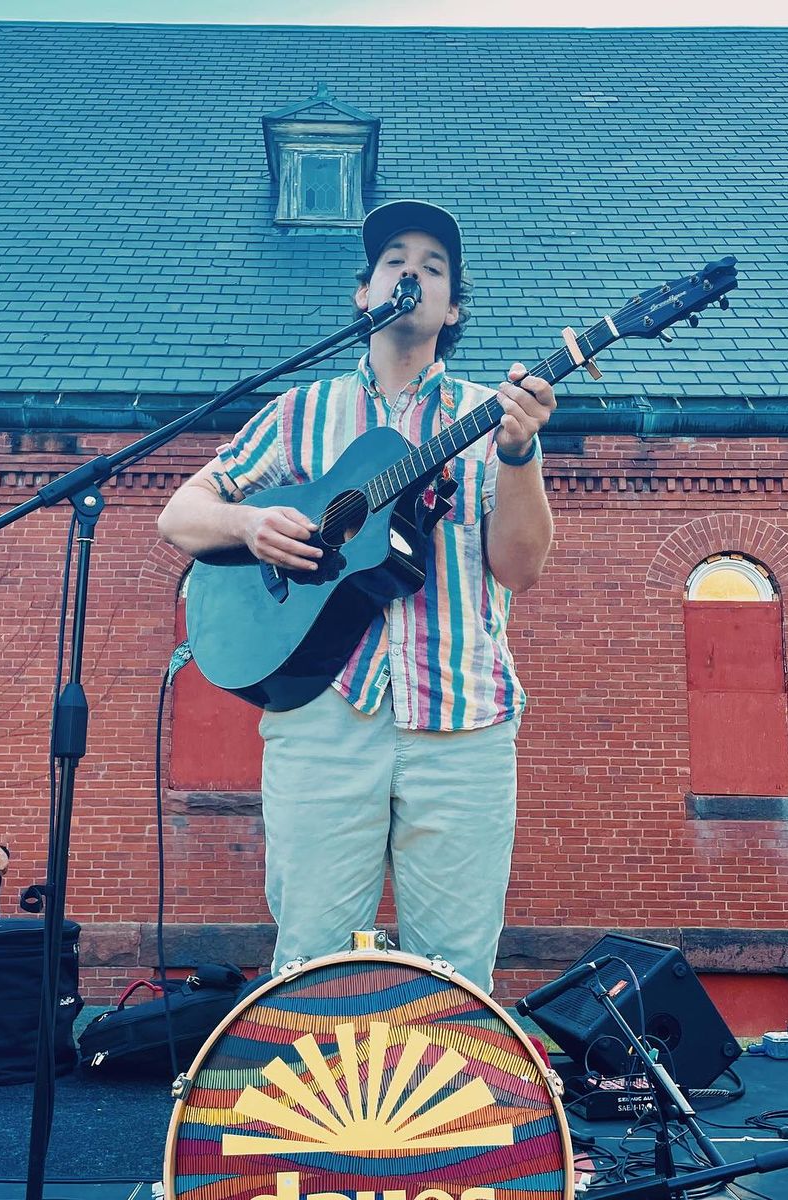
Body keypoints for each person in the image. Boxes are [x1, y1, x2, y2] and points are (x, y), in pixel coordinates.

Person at [156, 200, 555, 993]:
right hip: (324, 713)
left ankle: (441, 1121)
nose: (412, 272)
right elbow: (181, 515)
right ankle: (315, 1121)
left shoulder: (488, 417)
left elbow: (520, 569)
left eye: (433, 267)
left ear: (453, 308)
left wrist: (520, 455)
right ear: (364, 293)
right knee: (308, 961)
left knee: (456, 973)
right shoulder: (300, 413)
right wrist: (252, 524)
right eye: (395, 261)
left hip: (462, 719)